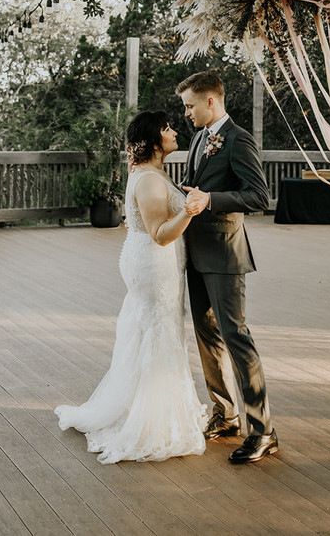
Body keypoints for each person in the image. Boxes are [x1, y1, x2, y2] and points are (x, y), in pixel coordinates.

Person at [55, 110, 206, 464]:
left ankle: (153, 407)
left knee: (151, 329)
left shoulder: (151, 173)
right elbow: (160, 234)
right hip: (154, 263)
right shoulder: (151, 181)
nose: (173, 132)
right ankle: (152, 421)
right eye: (166, 128)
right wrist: (190, 210)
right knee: (158, 330)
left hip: (147, 261)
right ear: (154, 139)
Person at [177, 70, 278, 464]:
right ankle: (226, 413)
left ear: (210, 102)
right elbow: (194, 188)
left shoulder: (238, 139)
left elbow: (258, 196)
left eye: (190, 106)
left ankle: (263, 430)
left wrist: (211, 200)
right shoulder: (199, 137)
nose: (187, 114)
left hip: (224, 253)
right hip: (195, 252)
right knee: (207, 336)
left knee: (236, 337)